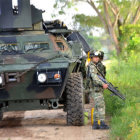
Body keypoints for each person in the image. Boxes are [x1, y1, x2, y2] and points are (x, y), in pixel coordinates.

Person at [88, 51, 109, 129]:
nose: (97, 58)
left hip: (96, 89)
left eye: (98, 57)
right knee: (101, 105)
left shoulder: (95, 65)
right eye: (95, 57)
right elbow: (95, 78)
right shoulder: (92, 66)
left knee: (97, 106)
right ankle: (102, 123)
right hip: (95, 89)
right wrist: (102, 84)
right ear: (92, 58)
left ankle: (96, 124)